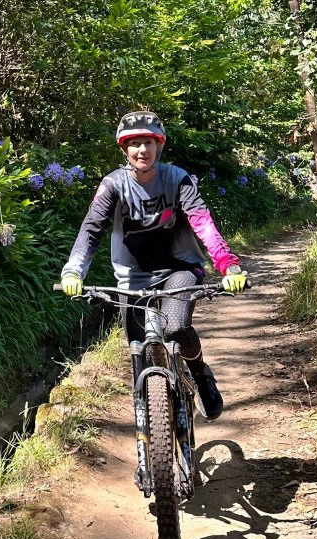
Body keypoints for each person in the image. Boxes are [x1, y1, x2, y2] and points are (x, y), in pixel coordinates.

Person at [60, 110, 247, 420]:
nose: (142, 150)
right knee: (138, 347)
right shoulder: (114, 185)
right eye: (134, 143)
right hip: (133, 277)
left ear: (159, 145)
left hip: (180, 269)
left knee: (176, 328)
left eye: (148, 142)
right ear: (124, 149)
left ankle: (200, 373)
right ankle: (149, 429)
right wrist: (73, 270)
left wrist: (229, 266)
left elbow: (202, 224)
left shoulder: (177, 180)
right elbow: (92, 228)